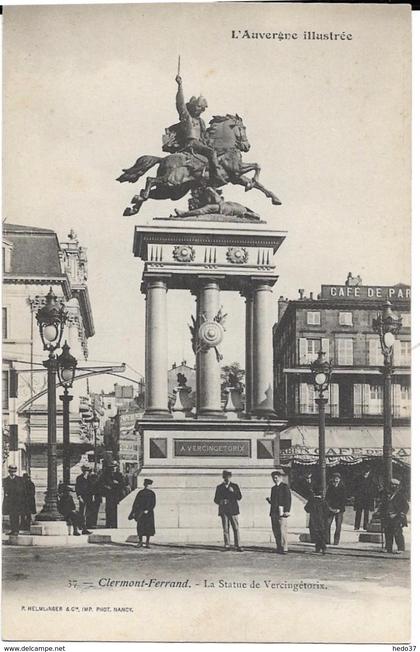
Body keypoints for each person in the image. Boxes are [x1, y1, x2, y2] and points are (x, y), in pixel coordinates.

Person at [169, 75, 222, 183]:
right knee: (211, 153)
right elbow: (180, 103)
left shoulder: (201, 122)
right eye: (198, 107)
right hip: (190, 143)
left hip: (199, 144)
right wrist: (180, 86)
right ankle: (216, 175)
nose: (200, 110)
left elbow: (204, 136)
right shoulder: (186, 116)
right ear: (192, 107)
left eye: (202, 109)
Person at [214, 470, 243, 552]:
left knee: (236, 528)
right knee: (225, 528)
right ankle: (227, 545)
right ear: (223, 477)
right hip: (224, 510)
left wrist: (233, 492)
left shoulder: (235, 486)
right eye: (225, 477)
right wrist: (220, 501)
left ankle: (238, 545)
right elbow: (215, 499)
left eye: (228, 477)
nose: (227, 478)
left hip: (233, 510)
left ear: (230, 477)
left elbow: (239, 497)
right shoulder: (219, 487)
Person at [379, 479, 409, 554]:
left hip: (397, 516)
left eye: (395, 485)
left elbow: (406, 506)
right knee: (388, 532)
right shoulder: (386, 495)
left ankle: (401, 548)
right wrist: (381, 514)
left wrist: (402, 513)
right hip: (388, 516)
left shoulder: (400, 495)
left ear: (397, 486)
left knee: (397, 532)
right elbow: (383, 505)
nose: (393, 486)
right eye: (392, 484)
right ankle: (388, 548)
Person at [266, 469, 291, 554]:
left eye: (276, 478)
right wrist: (270, 501)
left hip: (281, 511)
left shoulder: (285, 487)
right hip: (274, 512)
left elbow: (288, 499)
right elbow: (274, 501)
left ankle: (285, 548)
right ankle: (278, 547)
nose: (274, 479)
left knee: (282, 530)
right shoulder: (273, 488)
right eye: (273, 478)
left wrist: (287, 510)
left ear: (280, 478)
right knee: (275, 530)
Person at [128, 478, 156, 548]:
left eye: (149, 485)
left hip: (149, 513)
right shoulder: (140, 492)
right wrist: (134, 512)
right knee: (140, 528)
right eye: (147, 485)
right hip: (141, 512)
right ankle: (140, 542)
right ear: (145, 485)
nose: (148, 486)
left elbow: (153, 503)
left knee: (148, 528)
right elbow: (136, 503)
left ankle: (147, 542)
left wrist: (148, 509)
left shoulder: (152, 493)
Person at [304, 486, 330, 554]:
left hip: (313, 520)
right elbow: (327, 512)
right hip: (322, 520)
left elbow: (306, 509)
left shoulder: (311, 501)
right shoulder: (323, 502)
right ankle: (322, 547)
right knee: (321, 534)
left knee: (316, 534)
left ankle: (319, 547)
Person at [2, 465, 25, 535]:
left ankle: (16, 530)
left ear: (16, 471)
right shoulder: (5, 480)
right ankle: (13, 530)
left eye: (14, 471)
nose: (12, 473)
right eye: (11, 471)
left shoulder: (20, 479)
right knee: (11, 516)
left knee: (17, 515)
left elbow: (22, 490)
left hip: (17, 501)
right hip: (9, 501)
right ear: (9, 472)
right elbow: (5, 490)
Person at [102, 461, 125, 528]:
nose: (113, 468)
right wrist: (106, 486)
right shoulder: (105, 475)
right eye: (112, 467)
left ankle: (115, 524)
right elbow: (102, 483)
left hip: (117, 494)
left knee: (116, 509)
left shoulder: (119, 475)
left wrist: (117, 483)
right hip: (109, 494)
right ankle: (108, 524)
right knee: (108, 509)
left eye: (115, 467)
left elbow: (123, 484)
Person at [326, 472, 346, 545]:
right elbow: (327, 498)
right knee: (327, 524)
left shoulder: (342, 488)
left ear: (339, 479)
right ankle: (327, 540)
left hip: (339, 510)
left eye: (337, 478)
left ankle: (336, 541)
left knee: (338, 526)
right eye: (334, 478)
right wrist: (329, 508)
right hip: (331, 509)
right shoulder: (330, 487)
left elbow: (343, 500)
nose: (336, 480)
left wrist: (339, 509)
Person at [75, 465, 93, 534]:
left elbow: (92, 487)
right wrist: (79, 497)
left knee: (88, 512)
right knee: (82, 512)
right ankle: (83, 528)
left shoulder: (90, 478)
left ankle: (83, 525)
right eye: (85, 470)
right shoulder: (79, 478)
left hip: (89, 497)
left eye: (87, 471)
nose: (86, 472)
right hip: (82, 497)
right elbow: (77, 488)